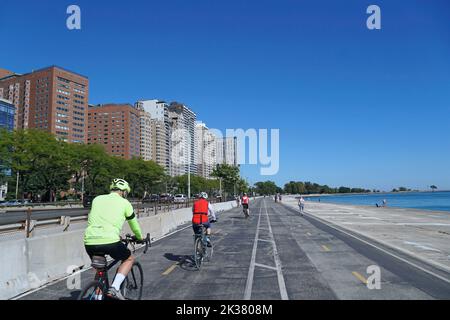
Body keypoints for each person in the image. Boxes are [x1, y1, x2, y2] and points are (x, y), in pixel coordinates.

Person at [84, 178, 144, 300]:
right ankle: (115, 288)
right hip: (110, 240)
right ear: (124, 192)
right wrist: (140, 237)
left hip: (89, 241)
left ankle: (97, 296)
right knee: (128, 258)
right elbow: (134, 225)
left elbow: (92, 219)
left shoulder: (97, 199)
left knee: (100, 269)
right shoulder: (125, 203)